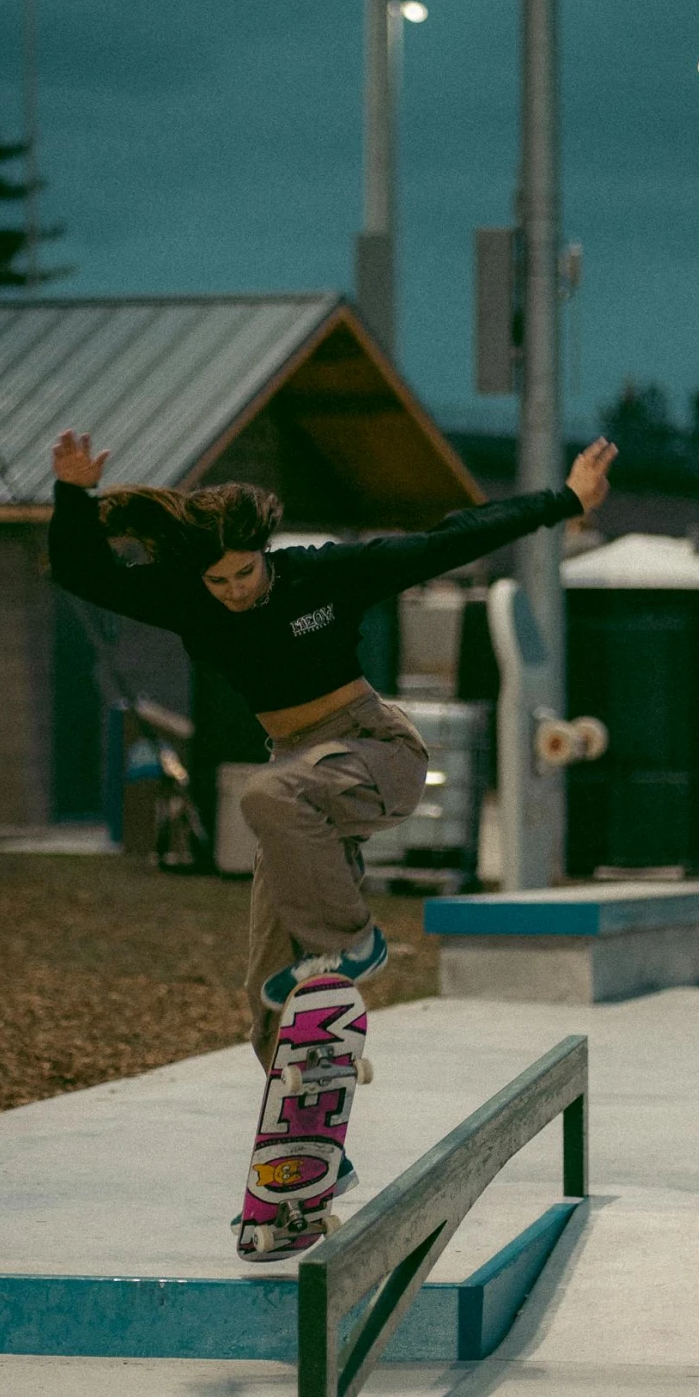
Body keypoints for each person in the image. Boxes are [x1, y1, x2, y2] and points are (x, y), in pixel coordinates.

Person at [48, 428, 617, 1079]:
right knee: (268, 969)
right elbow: (81, 571)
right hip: (300, 774)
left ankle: (352, 942)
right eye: (218, 580)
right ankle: (304, 1095)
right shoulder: (187, 599)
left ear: (263, 553)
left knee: (266, 793)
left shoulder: (322, 574)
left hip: (375, 750)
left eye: (244, 572)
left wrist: (563, 499)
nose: (234, 589)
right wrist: (72, 492)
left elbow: (448, 540)